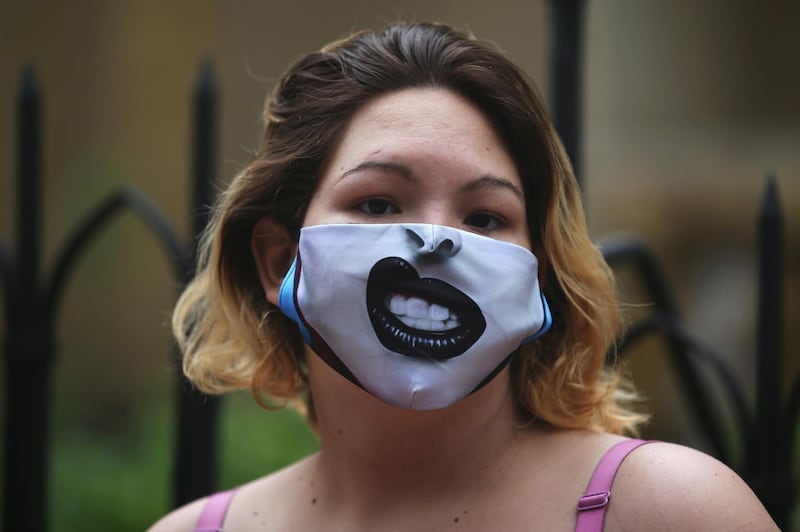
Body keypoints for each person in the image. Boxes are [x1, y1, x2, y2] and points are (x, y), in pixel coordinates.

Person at [150, 22, 778, 532]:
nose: (437, 242)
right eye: (377, 203)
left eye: (485, 216)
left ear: (536, 275)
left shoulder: (670, 512)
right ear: (279, 261)